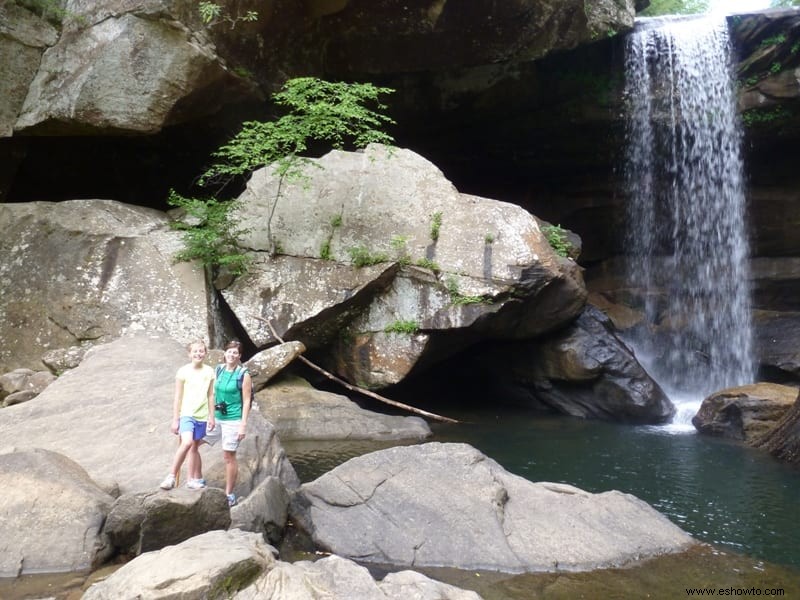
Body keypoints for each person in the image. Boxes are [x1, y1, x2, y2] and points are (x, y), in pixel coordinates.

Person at [159, 340, 215, 491]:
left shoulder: (209, 371)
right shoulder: (183, 371)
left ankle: (191, 479)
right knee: (187, 442)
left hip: (202, 416)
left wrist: (211, 416)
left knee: (194, 447)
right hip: (187, 414)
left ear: (205, 353)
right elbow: (178, 396)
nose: (198, 353)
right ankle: (171, 475)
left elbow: (210, 395)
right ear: (189, 354)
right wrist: (175, 419)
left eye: (201, 351)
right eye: (195, 351)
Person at [204, 340, 252, 507]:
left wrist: (243, 424)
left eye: (235, 353)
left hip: (233, 419)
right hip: (217, 417)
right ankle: (196, 479)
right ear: (224, 353)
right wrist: (210, 415)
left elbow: (246, 401)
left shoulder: (243, 374)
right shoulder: (219, 369)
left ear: (239, 356)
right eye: (229, 352)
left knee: (228, 456)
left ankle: (229, 493)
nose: (232, 355)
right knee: (194, 442)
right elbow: (213, 393)